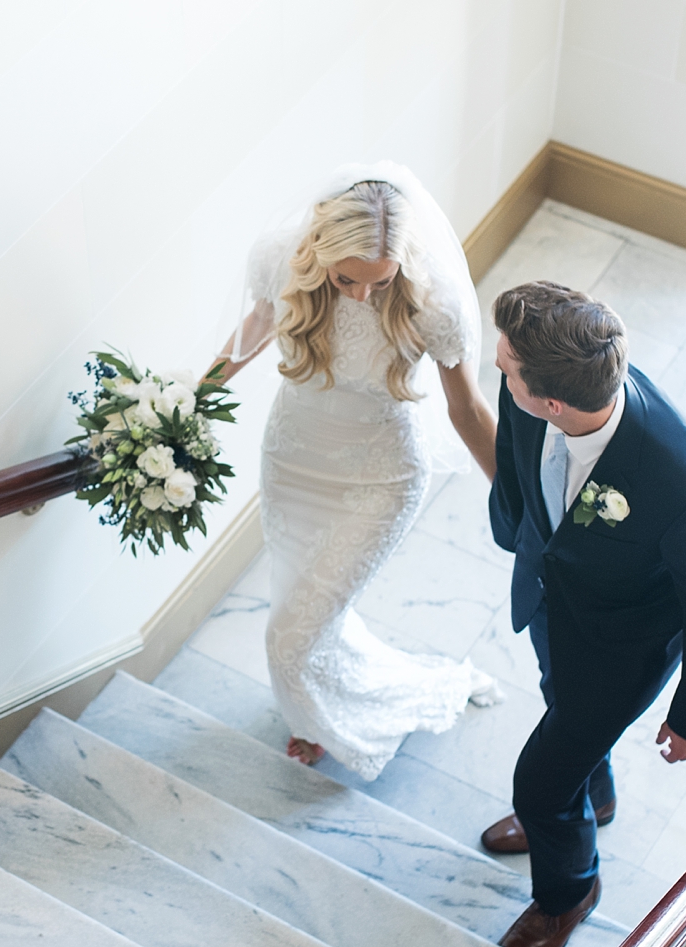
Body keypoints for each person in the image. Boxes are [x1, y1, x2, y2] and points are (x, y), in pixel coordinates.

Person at [481, 281, 686, 947]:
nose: (497, 366)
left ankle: (568, 891)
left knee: (539, 786)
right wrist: (518, 535)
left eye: (505, 366)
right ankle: (591, 794)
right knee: (559, 709)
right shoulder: (542, 391)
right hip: (554, 604)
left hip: (619, 651)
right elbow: (516, 470)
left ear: (553, 401)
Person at [211, 163, 503, 779]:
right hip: (292, 462)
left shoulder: (434, 306)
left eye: (380, 282)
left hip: (381, 479)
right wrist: (191, 399)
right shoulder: (278, 260)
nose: (362, 296)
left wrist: (520, 497)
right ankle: (313, 708)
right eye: (346, 279)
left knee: (289, 634)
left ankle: (319, 718)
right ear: (319, 249)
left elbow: (467, 409)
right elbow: (255, 329)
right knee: (304, 606)